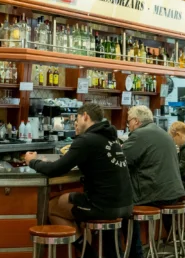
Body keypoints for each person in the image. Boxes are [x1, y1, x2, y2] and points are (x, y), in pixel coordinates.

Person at [26, 103, 133, 242]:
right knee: (72, 205)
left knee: (52, 207)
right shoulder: (112, 138)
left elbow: (55, 170)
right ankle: (87, 257)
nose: (75, 123)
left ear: (85, 116)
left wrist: (32, 161)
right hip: (127, 204)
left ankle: (88, 256)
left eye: (77, 119)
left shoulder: (85, 140)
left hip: (104, 206)